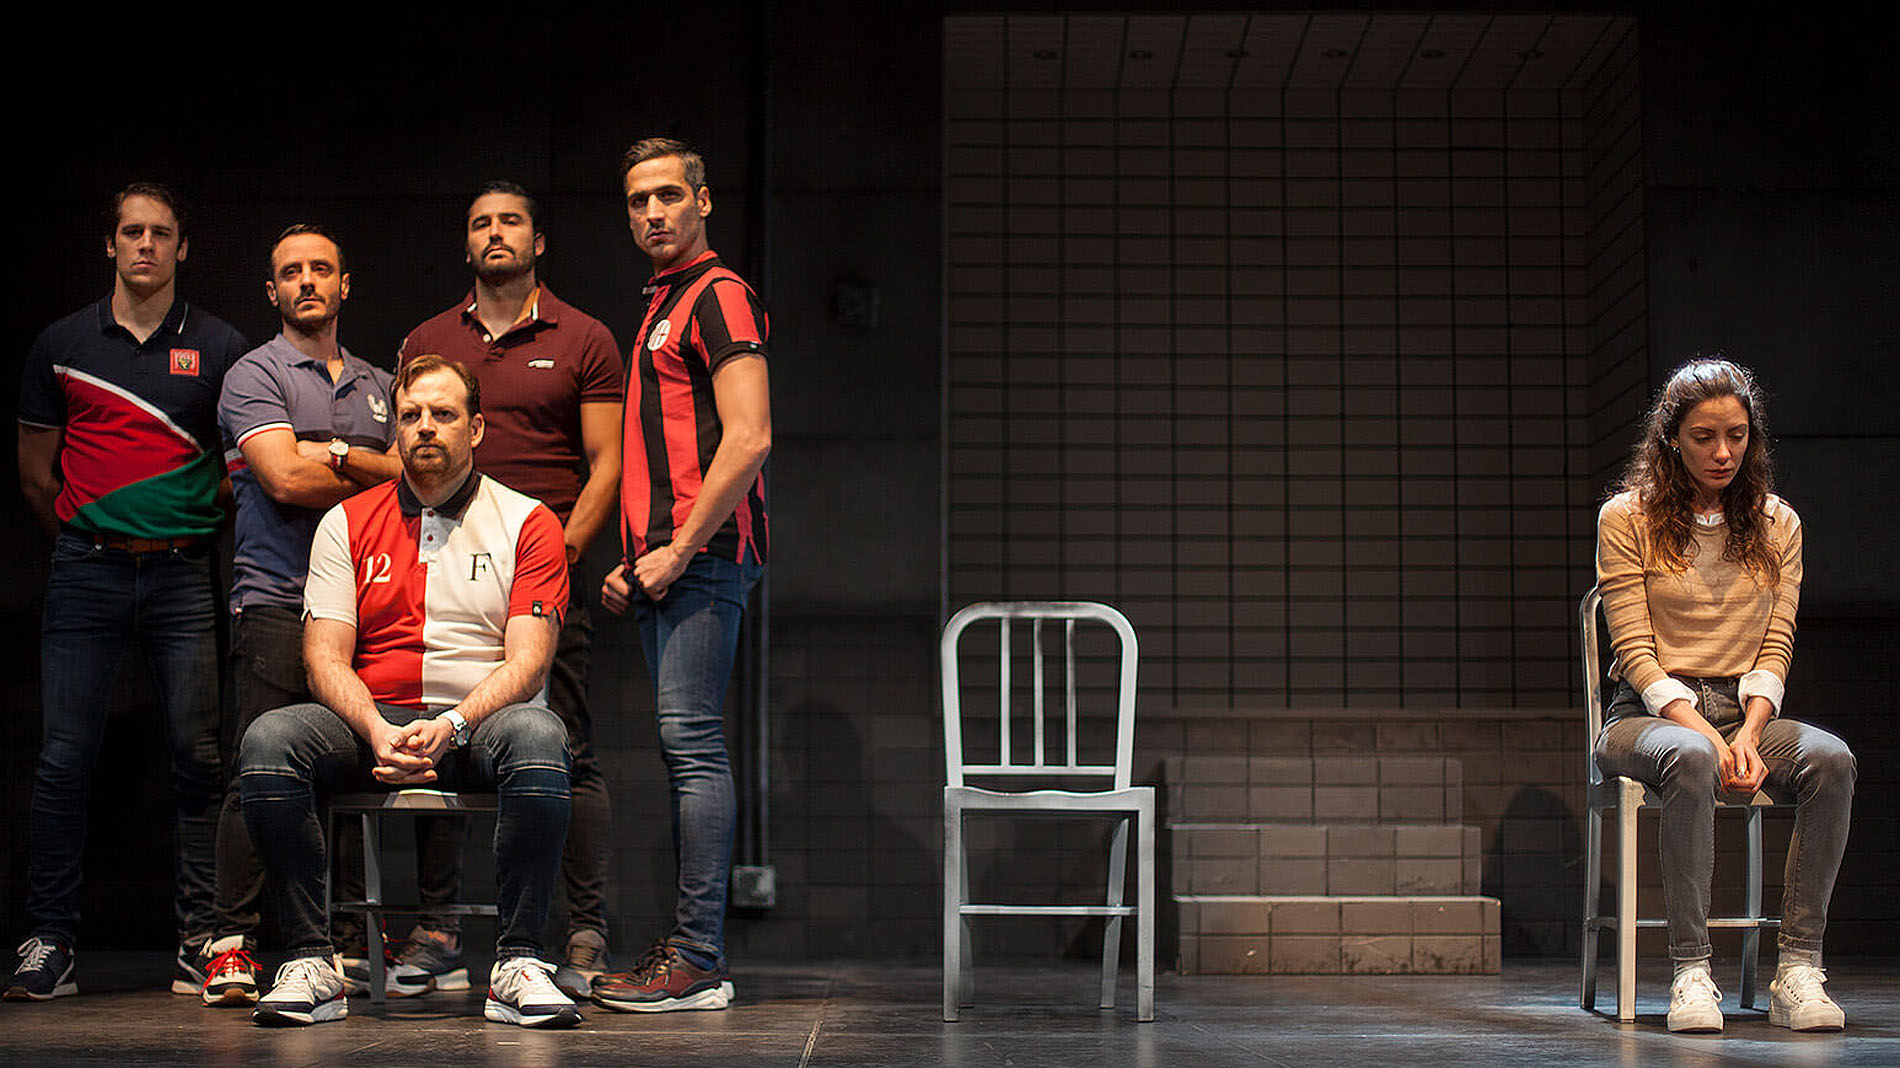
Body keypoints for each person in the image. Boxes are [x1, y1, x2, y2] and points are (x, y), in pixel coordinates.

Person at [238, 356, 578, 1029]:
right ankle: (310, 961)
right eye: (411, 415)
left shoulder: (528, 521)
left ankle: (518, 963)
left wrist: (453, 724)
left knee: (542, 736)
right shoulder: (345, 521)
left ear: (475, 428)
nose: (425, 427)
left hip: (479, 725)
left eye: (443, 414)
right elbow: (323, 659)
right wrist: (374, 729)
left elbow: (529, 664)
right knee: (269, 740)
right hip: (377, 721)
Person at [7, 183, 248, 1002]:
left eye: (161, 233)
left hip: (184, 574)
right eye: (132, 232)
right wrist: (94, 537)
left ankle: (201, 940)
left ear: (183, 248)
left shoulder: (220, 346)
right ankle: (50, 941)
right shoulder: (62, 344)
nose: (146, 245)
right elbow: (36, 477)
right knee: (63, 760)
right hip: (87, 572)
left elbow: (238, 472)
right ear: (110, 245)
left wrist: (175, 524)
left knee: (198, 759)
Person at [396, 181, 624, 998]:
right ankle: (438, 927)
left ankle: (584, 932)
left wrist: (557, 556)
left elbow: (608, 464)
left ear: (538, 240)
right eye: (481, 223)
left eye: (511, 221)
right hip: (443, 572)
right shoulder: (428, 338)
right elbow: (412, 443)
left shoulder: (584, 336)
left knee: (566, 747)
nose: (496, 233)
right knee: (435, 732)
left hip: (544, 574)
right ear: (466, 244)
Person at [1595, 357, 1856, 1034]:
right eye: (1704, 436)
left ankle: (1798, 967)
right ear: (1672, 439)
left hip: (1745, 714)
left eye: (1736, 436)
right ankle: (1690, 971)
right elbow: (1635, 652)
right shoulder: (1627, 517)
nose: (1722, 452)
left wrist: (1748, 732)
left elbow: (1776, 644)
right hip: (1645, 717)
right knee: (1691, 756)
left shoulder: (1777, 524)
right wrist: (1713, 739)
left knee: (1832, 760)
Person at [196, 224, 401, 1006]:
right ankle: (231, 945)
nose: (307, 281)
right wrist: (370, 468)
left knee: (349, 774)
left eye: (321, 269)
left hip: (364, 614)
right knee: (256, 771)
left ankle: (343, 936)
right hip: (277, 601)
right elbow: (282, 477)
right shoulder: (255, 372)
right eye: (291, 272)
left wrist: (334, 452)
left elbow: (417, 480)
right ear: (272, 290)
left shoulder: (383, 382)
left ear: (345, 285)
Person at [590, 138, 770, 1014]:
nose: (653, 212)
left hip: (705, 559)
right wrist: (638, 561)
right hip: (672, 566)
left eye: (668, 195)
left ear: (703, 201)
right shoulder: (663, 303)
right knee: (682, 747)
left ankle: (698, 958)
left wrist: (679, 549)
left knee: (693, 746)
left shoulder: (717, 292)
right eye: (638, 200)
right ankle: (692, 952)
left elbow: (750, 436)